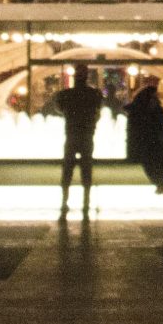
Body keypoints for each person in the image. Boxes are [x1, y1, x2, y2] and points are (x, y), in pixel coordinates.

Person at [52, 66, 104, 222]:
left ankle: (64, 203)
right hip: (87, 135)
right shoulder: (94, 95)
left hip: (72, 135)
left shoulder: (66, 95)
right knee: (86, 170)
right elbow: (97, 110)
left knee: (67, 170)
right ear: (87, 76)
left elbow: (59, 108)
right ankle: (85, 204)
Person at [124, 77, 163, 197]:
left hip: (156, 145)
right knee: (154, 155)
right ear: (147, 98)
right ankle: (161, 184)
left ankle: (162, 185)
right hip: (142, 147)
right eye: (154, 97)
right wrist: (160, 138)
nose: (157, 100)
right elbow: (138, 136)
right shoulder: (137, 113)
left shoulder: (157, 111)